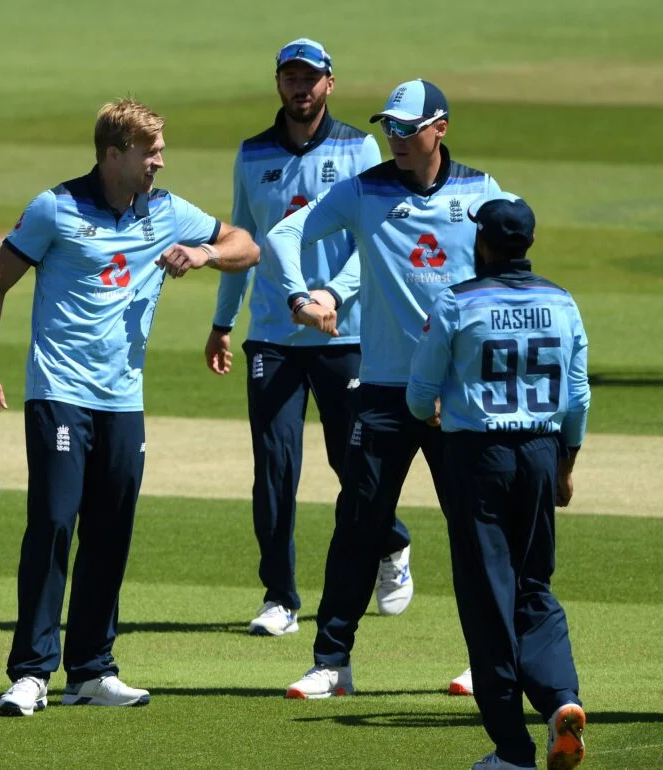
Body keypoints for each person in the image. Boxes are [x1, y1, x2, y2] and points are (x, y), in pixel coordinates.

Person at [0, 98, 259, 716]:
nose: (159, 161)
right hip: (59, 393)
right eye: (148, 152)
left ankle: (92, 670)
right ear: (112, 155)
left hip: (123, 401)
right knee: (53, 523)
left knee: (111, 531)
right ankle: (30, 673)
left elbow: (246, 245)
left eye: (159, 150)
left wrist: (205, 254)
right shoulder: (56, 207)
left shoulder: (168, 210)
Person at [267, 80, 501, 698]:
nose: (396, 138)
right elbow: (285, 234)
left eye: (408, 128)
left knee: (474, 529)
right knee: (358, 524)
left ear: (440, 128)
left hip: (459, 398)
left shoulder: (482, 191)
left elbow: (509, 270)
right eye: (390, 127)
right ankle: (331, 663)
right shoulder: (364, 189)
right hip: (385, 391)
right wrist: (301, 294)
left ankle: (490, 661)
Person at [206, 38, 408, 637]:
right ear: (278, 84)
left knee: (354, 462)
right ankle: (280, 598)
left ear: (329, 83)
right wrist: (223, 322)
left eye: (310, 78)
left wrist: (334, 296)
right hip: (271, 334)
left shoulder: (359, 147)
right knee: (274, 466)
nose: (300, 88)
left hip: (342, 333)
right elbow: (241, 244)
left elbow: (375, 242)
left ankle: (392, 543)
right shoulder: (252, 154)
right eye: (290, 78)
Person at [407, 194, 588, 770]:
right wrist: (564, 464)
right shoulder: (562, 302)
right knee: (535, 587)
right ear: (529, 244)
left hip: (478, 457)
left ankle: (513, 747)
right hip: (540, 450)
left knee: (488, 600)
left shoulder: (457, 301)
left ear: (482, 242)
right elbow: (578, 397)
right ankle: (563, 701)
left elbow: (417, 397)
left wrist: (434, 413)